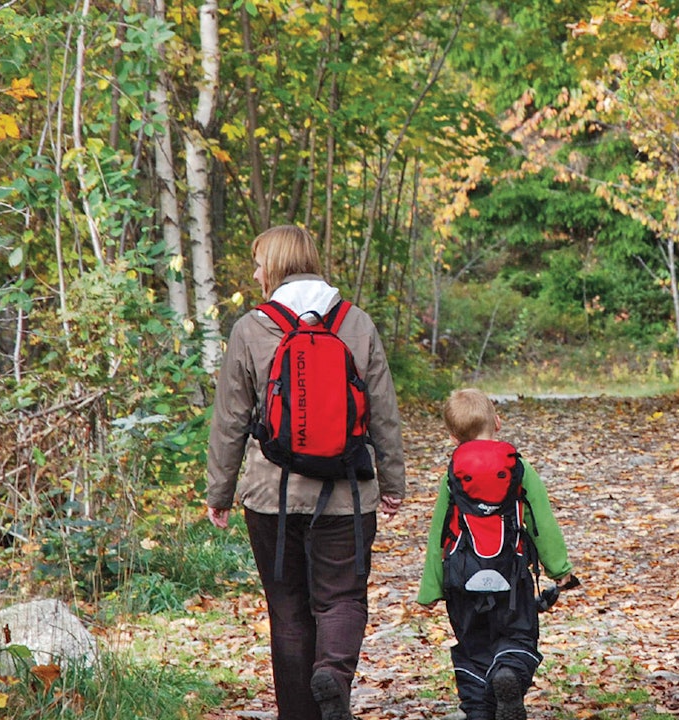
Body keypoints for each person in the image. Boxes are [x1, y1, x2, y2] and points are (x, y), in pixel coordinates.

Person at [206, 224, 407, 720]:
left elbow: (231, 419)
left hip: (270, 499)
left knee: (289, 612)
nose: (255, 273)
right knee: (341, 600)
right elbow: (382, 411)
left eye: (258, 263)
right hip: (347, 495)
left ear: (274, 266)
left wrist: (220, 492)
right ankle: (332, 676)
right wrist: (394, 482)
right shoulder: (356, 323)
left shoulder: (251, 328)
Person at [417, 389, 576, 720]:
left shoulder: (453, 475)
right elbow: (541, 522)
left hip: (461, 580)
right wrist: (559, 569)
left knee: (472, 648)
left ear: (452, 436)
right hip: (512, 576)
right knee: (518, 635)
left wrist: (431, 587)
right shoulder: (518, 468)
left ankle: (478, 709)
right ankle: (509, 673)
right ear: (497, 422)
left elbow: (439, 534)